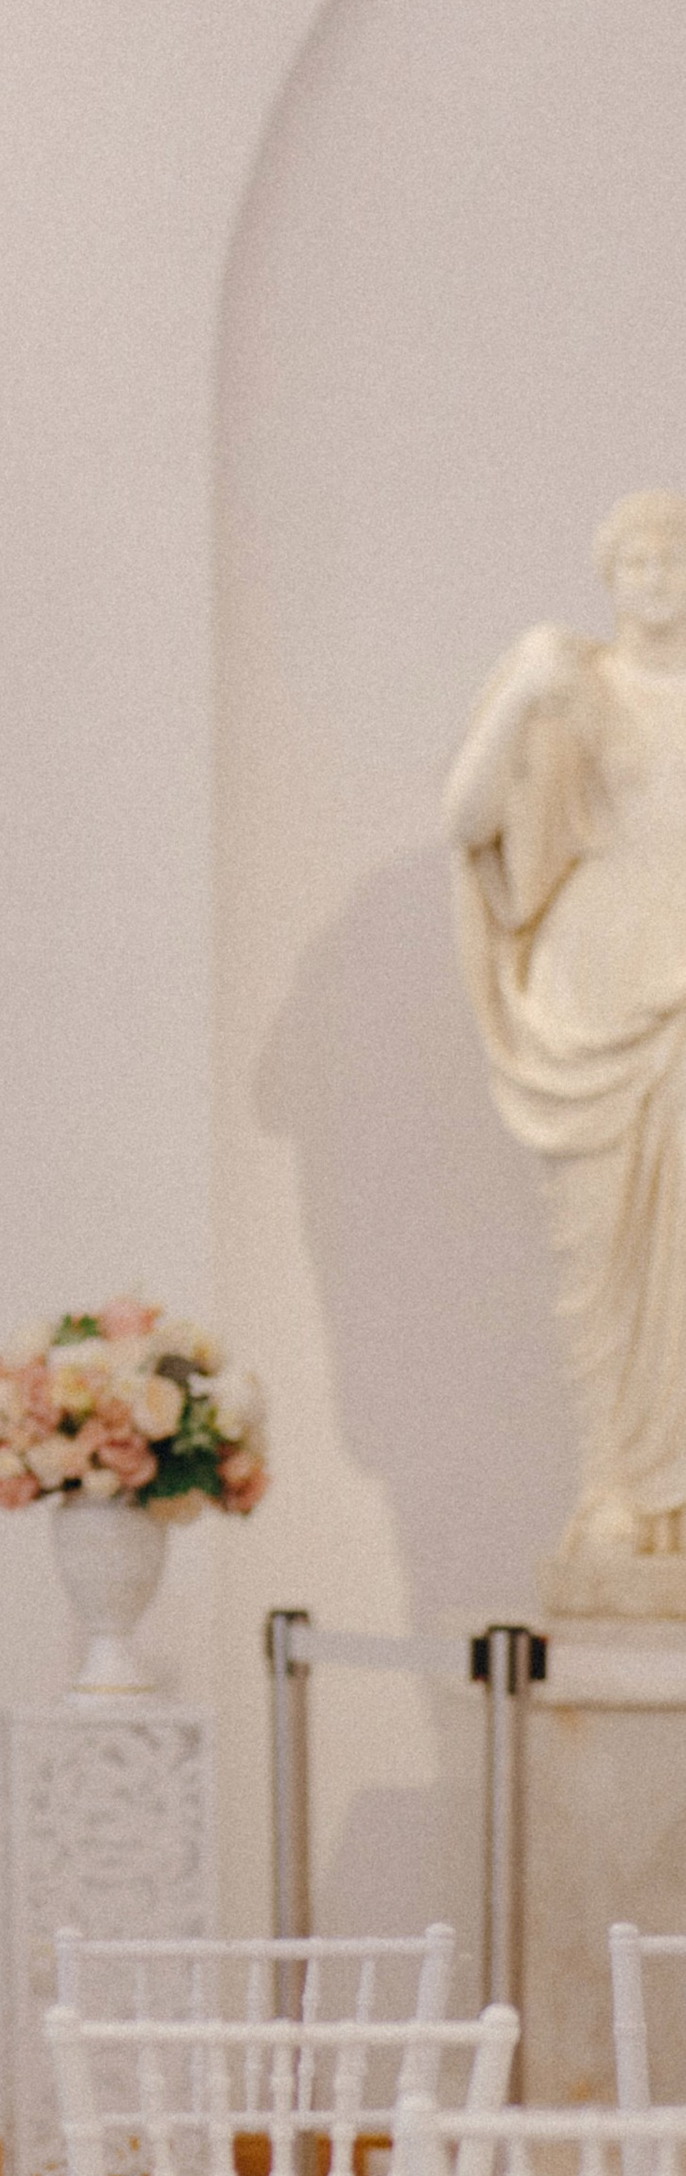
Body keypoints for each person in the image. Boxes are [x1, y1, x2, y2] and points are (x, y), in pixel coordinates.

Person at [447, 488, 686, 1592]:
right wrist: (512, 705)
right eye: (636, 559)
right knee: (598, 1273)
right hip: (593, 996)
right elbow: (465, 820)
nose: (655, 577)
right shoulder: (563, 680)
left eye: (673, 557)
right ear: (608, 574)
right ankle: (610, 1493)